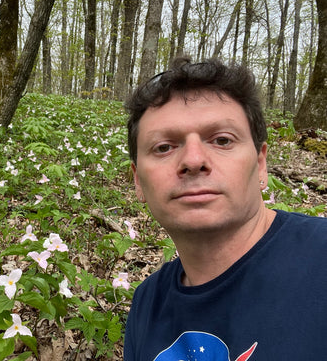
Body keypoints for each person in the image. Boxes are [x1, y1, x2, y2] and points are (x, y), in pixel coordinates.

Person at [123, 57, 327, 360]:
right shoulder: (146, 303)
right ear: (138, 180)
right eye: (164, 147)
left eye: (221, 140)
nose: (193, 160)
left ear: (260, 164)